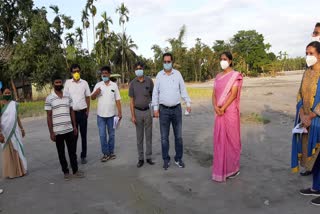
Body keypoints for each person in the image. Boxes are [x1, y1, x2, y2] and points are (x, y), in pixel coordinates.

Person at [152, 52, 191, 170]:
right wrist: (155, 108)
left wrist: (188, 103)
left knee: (178, 136)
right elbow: (155, 93)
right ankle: (166, 159)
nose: (167, 63)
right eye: (165, 62)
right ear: (162, 62)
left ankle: (178, 158)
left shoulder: (177, 74)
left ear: (172, 62)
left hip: (176, 109)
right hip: (163, 110)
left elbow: (183, 90)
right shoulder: (159, 75)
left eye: (169, 61)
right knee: (164, 137)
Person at [292, 41, 320, 206]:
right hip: (307, 121)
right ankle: (316, 187)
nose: (308, 57)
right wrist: (302, 113)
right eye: (306, 53)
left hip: (317, 120)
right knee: (314, 157)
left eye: (311, 53)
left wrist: (311, 116)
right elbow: (299, 95)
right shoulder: (306, 73)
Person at [45, 75, 84, 180]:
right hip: (58, 131)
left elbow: (72, 111)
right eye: (56, 82)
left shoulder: (68, 95)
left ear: (62, 83)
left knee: (72, 152)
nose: (58, 84)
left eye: (59, 82)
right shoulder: (49, 98)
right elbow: (48, 116)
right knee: (61, 153)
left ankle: (75, 171)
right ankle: (66, 172)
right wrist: (51, 132)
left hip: (69, 129)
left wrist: (74, 126)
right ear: (53, 84)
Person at [211, 51, 243, 182]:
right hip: (219, 112)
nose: (222, 61)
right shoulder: (218, 76)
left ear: (230, 61)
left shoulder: (234, 76)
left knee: (232, 140)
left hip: (229, 112)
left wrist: (223, 108)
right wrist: (215, 107)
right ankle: (221, 169)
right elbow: (213, 94)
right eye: (221, 59)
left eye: (224, 59)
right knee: (220, 140)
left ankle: (233, 168)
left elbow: (233, 94)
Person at [91, 66, 122, 162]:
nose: (104, 75)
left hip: (112, 115)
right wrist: (96, 93)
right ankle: (105, 153)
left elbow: (117, 99)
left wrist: (120, 112)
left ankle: (111, 152)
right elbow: (92, 98)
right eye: (102, 73)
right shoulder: (98, 85)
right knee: (102, 135)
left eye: (106, 73)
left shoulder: (114, 85)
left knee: (112, 135)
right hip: (101, 116)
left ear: (109, 74)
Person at [129, 62, 154, 168]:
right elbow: (131, 101)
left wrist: (155, 110)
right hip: (137, 112)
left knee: (149, 136)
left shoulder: (149, 81)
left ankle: (148, 157)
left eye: (140, 68)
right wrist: (133, 116)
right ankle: (140, 159)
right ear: (135, 70)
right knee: (139, 137)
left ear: (143, 69)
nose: (138, 70)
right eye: (137, 68)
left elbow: (154, 96)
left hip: (148, 111)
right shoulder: (132, 83)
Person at [64, 64, 91, 164]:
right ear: (71, 73)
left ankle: (83, 155)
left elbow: (88, 97)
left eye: (78, 71)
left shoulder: (84, 83)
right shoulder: (67, 83)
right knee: (73, 137)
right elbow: (65, 98)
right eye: (74, 71)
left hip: (83, 113)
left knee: (84, 135)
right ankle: (73, 156)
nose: (76, 73)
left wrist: (88, 111)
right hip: (72, 114)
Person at [0, 88, 27, 179]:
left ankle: (20, 170)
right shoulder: (0, 104)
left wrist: (22, 128)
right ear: (2, 93)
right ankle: (11, 172)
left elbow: (17, 117)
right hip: (5, 132)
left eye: (9, 93)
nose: (7, 94)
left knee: (17, 148)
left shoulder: (14, 104)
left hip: (15, 130)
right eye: (5, 93)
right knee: (9, 151)